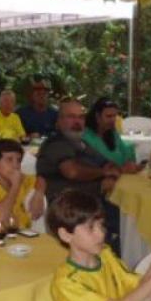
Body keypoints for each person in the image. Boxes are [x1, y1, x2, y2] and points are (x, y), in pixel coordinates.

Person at [36, 98, 121, 253]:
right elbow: (72, 172)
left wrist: (115, 171)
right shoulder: (56, 143)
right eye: (71, 117)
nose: (77, 122)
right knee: (125, 221)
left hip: (92, 201)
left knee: (131, 214)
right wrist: (102, 177)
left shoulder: (82, 143)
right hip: (69, 209)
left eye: (81, 117)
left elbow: (108, 164)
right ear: (59, 121)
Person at [0, 139, 46, 229]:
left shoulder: (24, 179)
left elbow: (42, 178)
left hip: (25, 234)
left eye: (18, 160)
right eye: (9, 160)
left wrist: (39, 193)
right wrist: (15, 186)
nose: (16, 165)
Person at [83, 98, 140, 173]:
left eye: (115, 116)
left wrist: (130, 162)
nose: (113, 120)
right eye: (109, 116)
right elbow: (96, 165)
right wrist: (121, 169)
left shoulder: (112, 133)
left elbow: (124, 151)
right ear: (97, 117)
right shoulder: (86, 136)